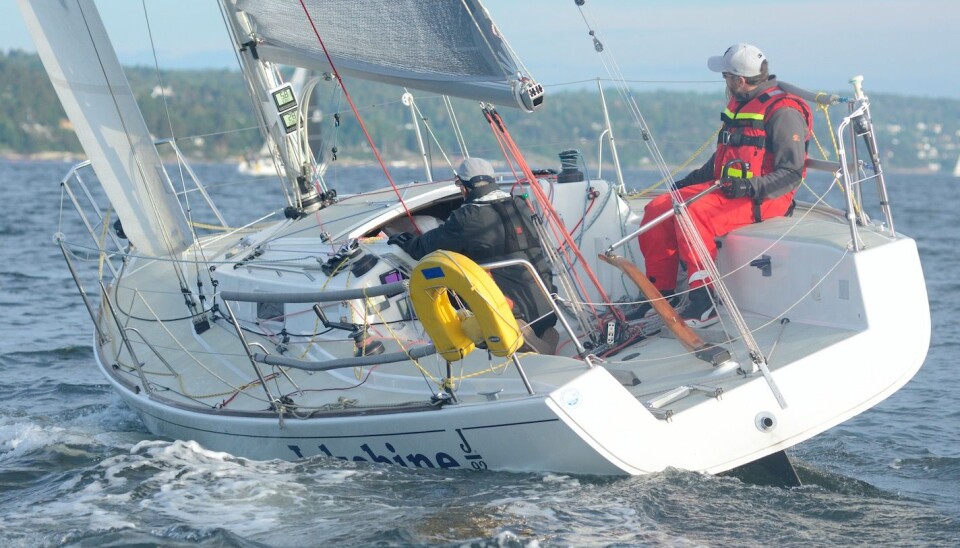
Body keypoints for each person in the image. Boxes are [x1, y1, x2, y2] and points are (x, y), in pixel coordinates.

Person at [638, 43, 813, 328]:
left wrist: (748, 188)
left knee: (691, 214)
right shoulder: (741, 106)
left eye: (726, 77)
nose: (726, 83)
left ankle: (703, 301)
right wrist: (683, 184)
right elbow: (719, 163)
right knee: (658, 208)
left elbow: (791, 174)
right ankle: (659, 295)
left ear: (739, 81)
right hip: (729, 191)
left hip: (765, 197)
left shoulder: (783, 113)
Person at [388, 158, 559, 352]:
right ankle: (539, 335)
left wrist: (405, 240)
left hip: (513, 315)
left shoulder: (468, 217)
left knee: (443, 283)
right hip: (547, 311)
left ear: (464, 187)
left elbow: (425, 248)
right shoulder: (522, 206)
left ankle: (505, 337)